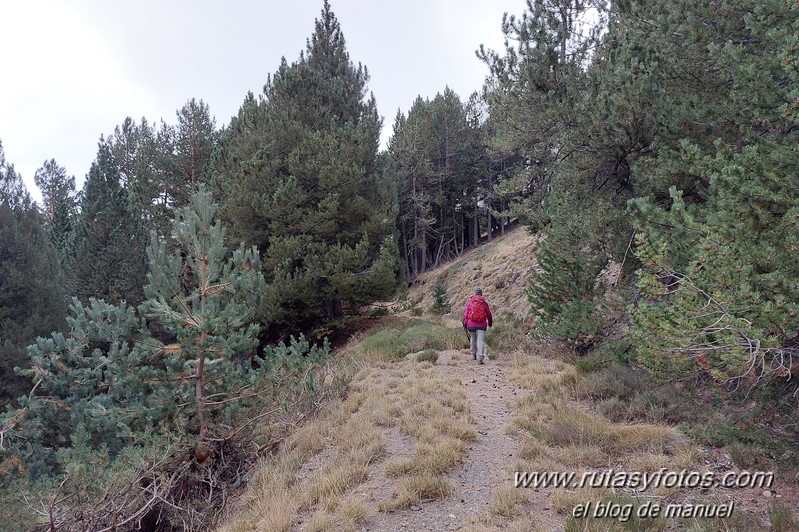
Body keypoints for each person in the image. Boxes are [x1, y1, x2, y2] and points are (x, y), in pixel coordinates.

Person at [462, 288, 493, 365]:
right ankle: (480, 357)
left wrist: (465, 323)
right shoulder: (484, 303)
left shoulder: (470, 302)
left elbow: (466, 314)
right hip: (482, 324)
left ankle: (473, 354)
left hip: (471, 324)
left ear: (474, 294)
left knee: (473, 338)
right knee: (480, 340)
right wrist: (490, 323)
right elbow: (488, 314)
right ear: (481, 294)